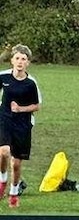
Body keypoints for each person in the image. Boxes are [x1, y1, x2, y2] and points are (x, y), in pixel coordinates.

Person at [0, 44, 41, 207]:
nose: (20, 62)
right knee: (3, 152)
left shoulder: (31, 83)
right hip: (4, 120)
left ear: (27, 63)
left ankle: (14, 193)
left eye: (23, 59)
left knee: (16, 164)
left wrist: (20, 109)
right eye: (17, 58)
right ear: (12, 60)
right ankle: (2, 181)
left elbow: (37, 106)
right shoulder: (3, 77)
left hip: (23, 124)